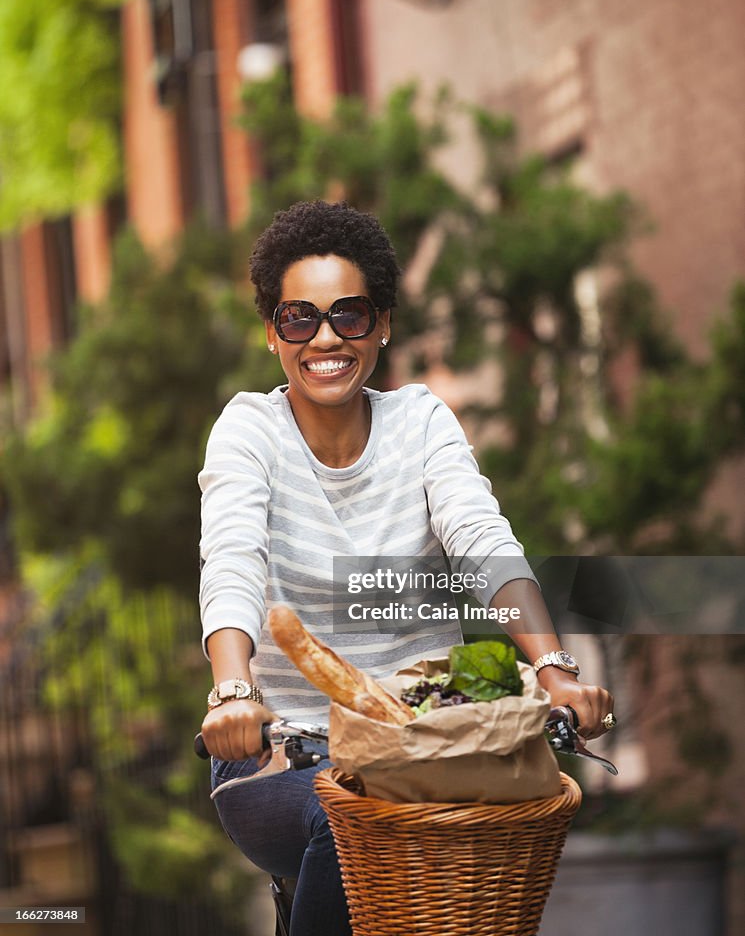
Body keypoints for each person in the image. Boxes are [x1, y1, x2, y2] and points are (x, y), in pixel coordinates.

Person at [198, 200, 614, 936]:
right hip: (284, 755)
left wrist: (553, 670)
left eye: (349, 315)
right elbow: (231, 555)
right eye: (299, 317)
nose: (325, 337)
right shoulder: (248, 429)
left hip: (422, 747)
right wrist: (233, 690)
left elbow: (478, 536)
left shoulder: (420, 422)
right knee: (353, 820)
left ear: (382, 324)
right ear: (273, 333)